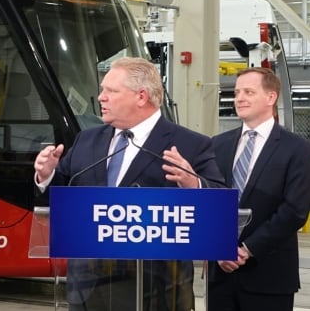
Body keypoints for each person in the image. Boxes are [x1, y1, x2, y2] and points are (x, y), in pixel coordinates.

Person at [33, 57, 225, 311]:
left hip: (157, 291)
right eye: (102, 90)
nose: (101, 97)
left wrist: (194, 185)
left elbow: (220, 208)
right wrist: (46, 176)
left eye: (111, 91)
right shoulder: (86, 140)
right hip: (88, 289)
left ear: (141, 96)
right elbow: (56, 201)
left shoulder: (190, 144)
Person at [207, 67, 310, 310]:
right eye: (236, 93)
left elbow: (294, 211)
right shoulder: (217, 144)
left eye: (248, 92)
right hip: (220, 275)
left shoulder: (297, 149)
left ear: (271, 97)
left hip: (269, 275)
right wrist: (219, 248)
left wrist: (246, 249)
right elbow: (209, 201)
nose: (239, 98)